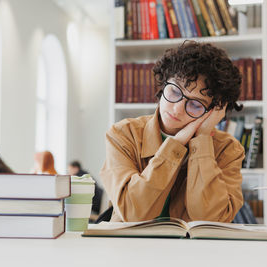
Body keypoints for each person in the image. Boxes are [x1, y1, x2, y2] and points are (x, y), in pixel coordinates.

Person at [100, 41, 245, 223]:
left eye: (195, 104)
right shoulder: (123, 134)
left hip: (194, 250)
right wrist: (175, 145)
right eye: (175, 91)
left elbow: (210, 221)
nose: (177, 109)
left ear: (214, 111)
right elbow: (133, 213)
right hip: (131, 247)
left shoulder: (228, 149)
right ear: (163, 84)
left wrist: (202, 139)